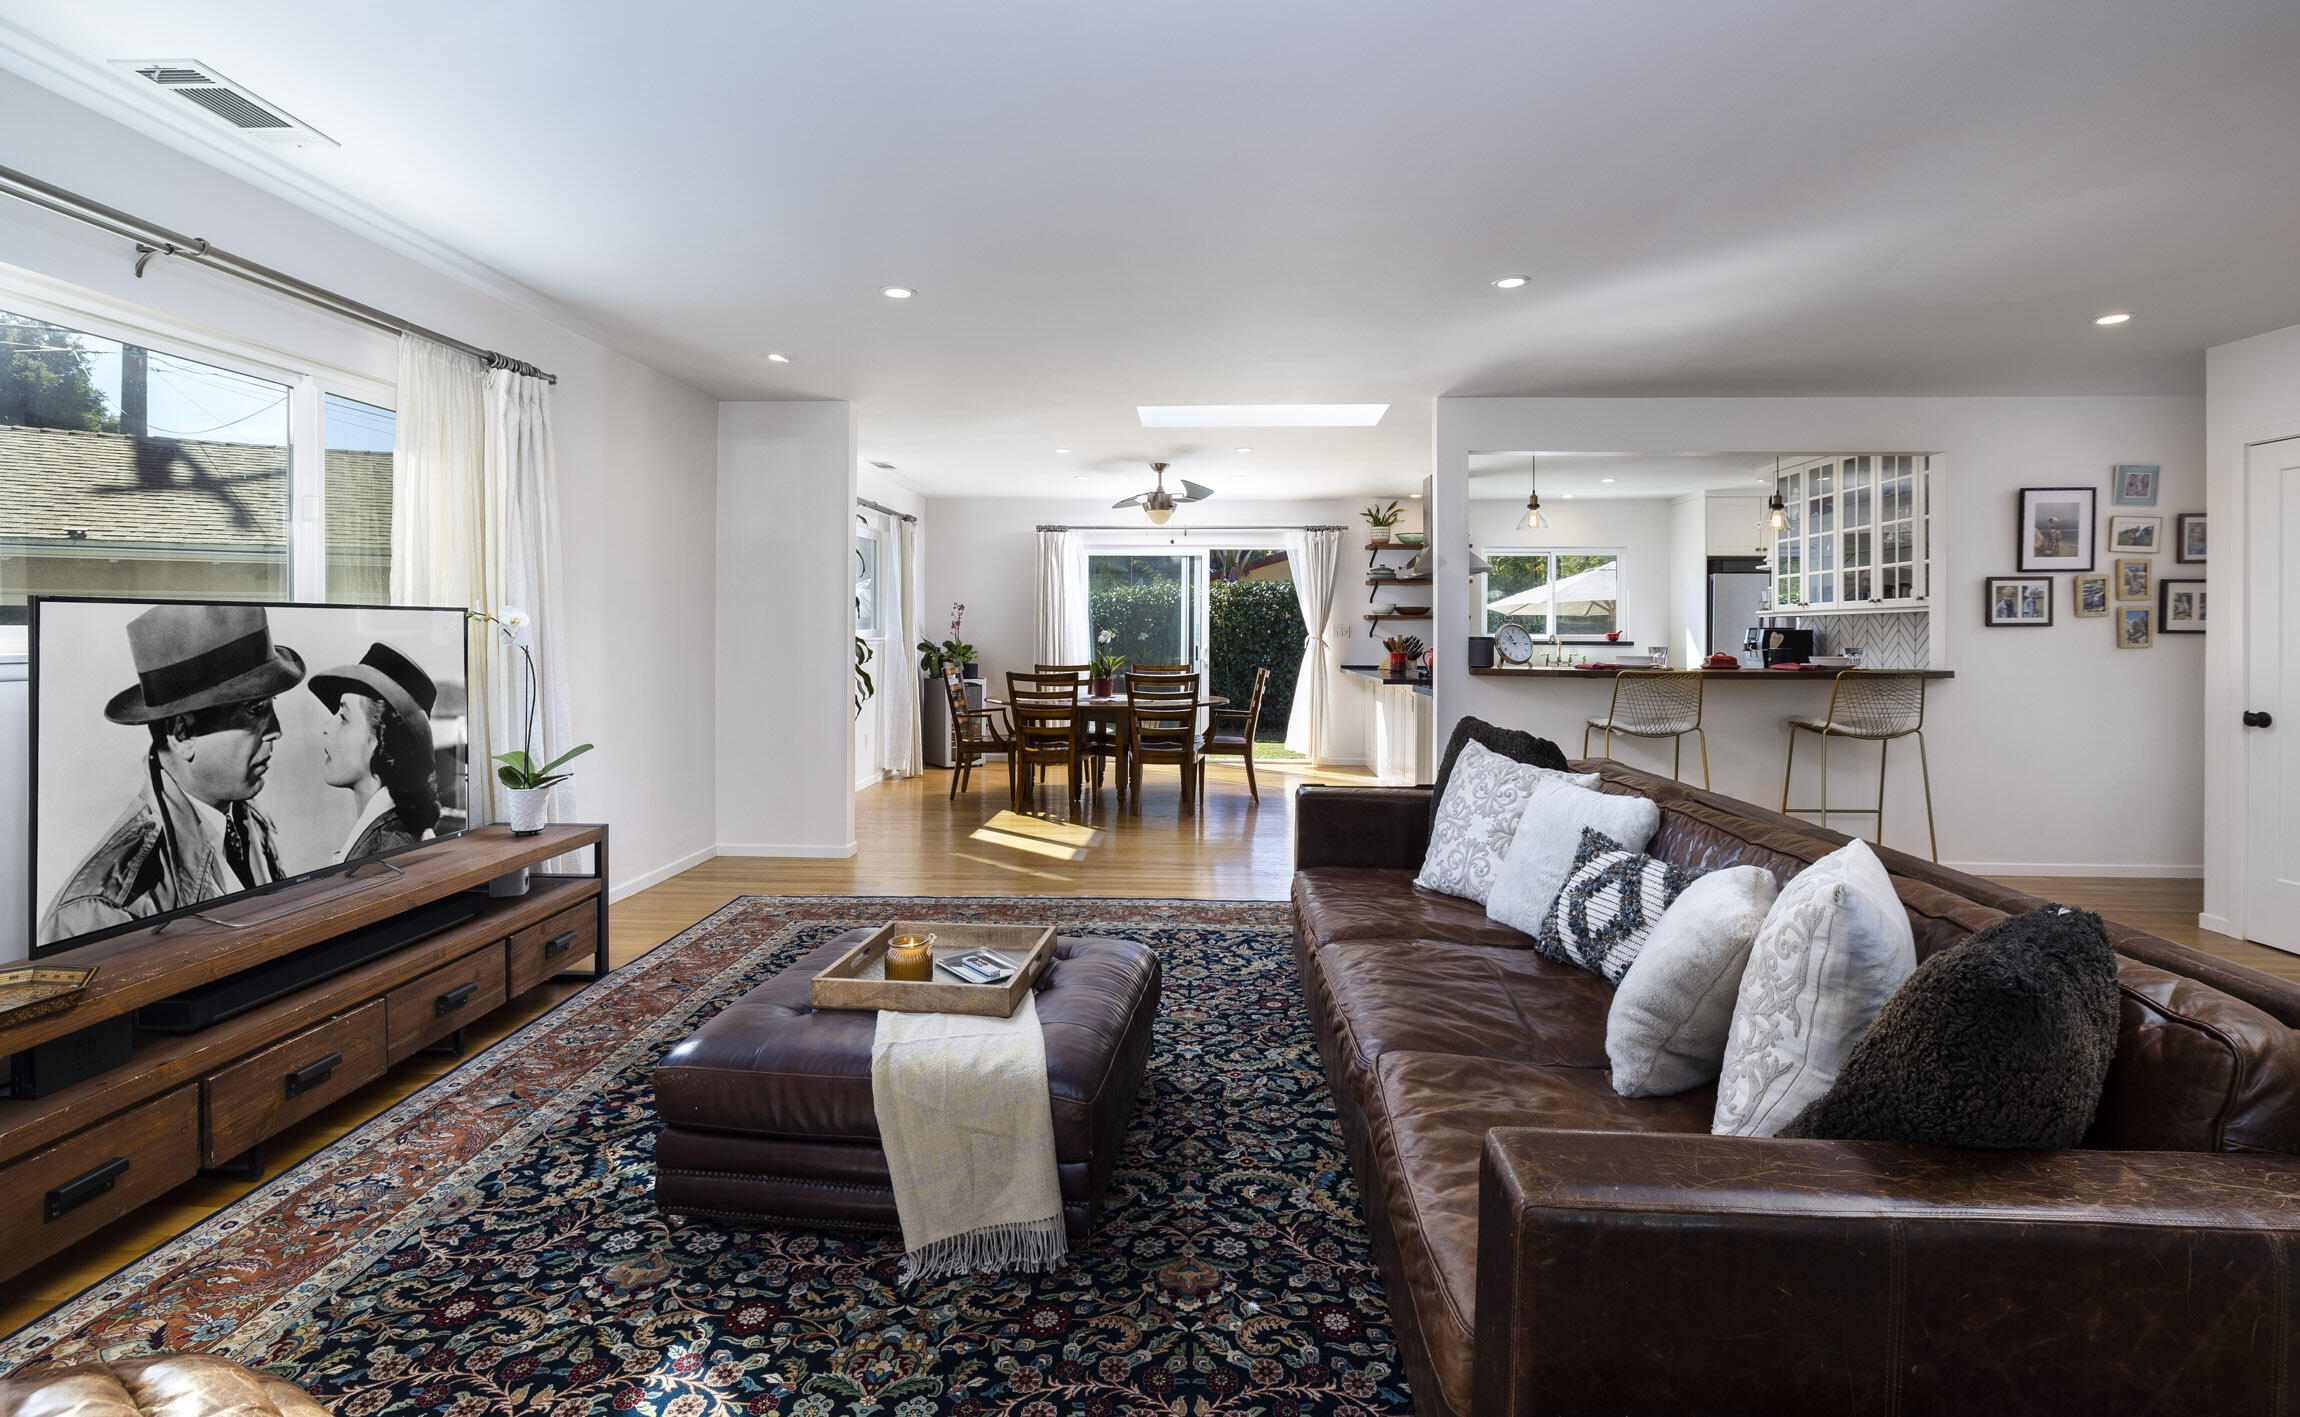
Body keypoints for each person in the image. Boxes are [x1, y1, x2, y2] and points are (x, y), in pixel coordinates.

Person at [40, 603, 304, 945]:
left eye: (271, 705)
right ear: (182, 734)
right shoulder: (104, 909)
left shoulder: (246, 820)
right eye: (254, 709)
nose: (276, 730)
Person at [310, 642, 443, 863]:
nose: (326, 728)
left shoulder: (384, 850)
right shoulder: (392, 832)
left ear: (382, 740)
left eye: (343, 718)